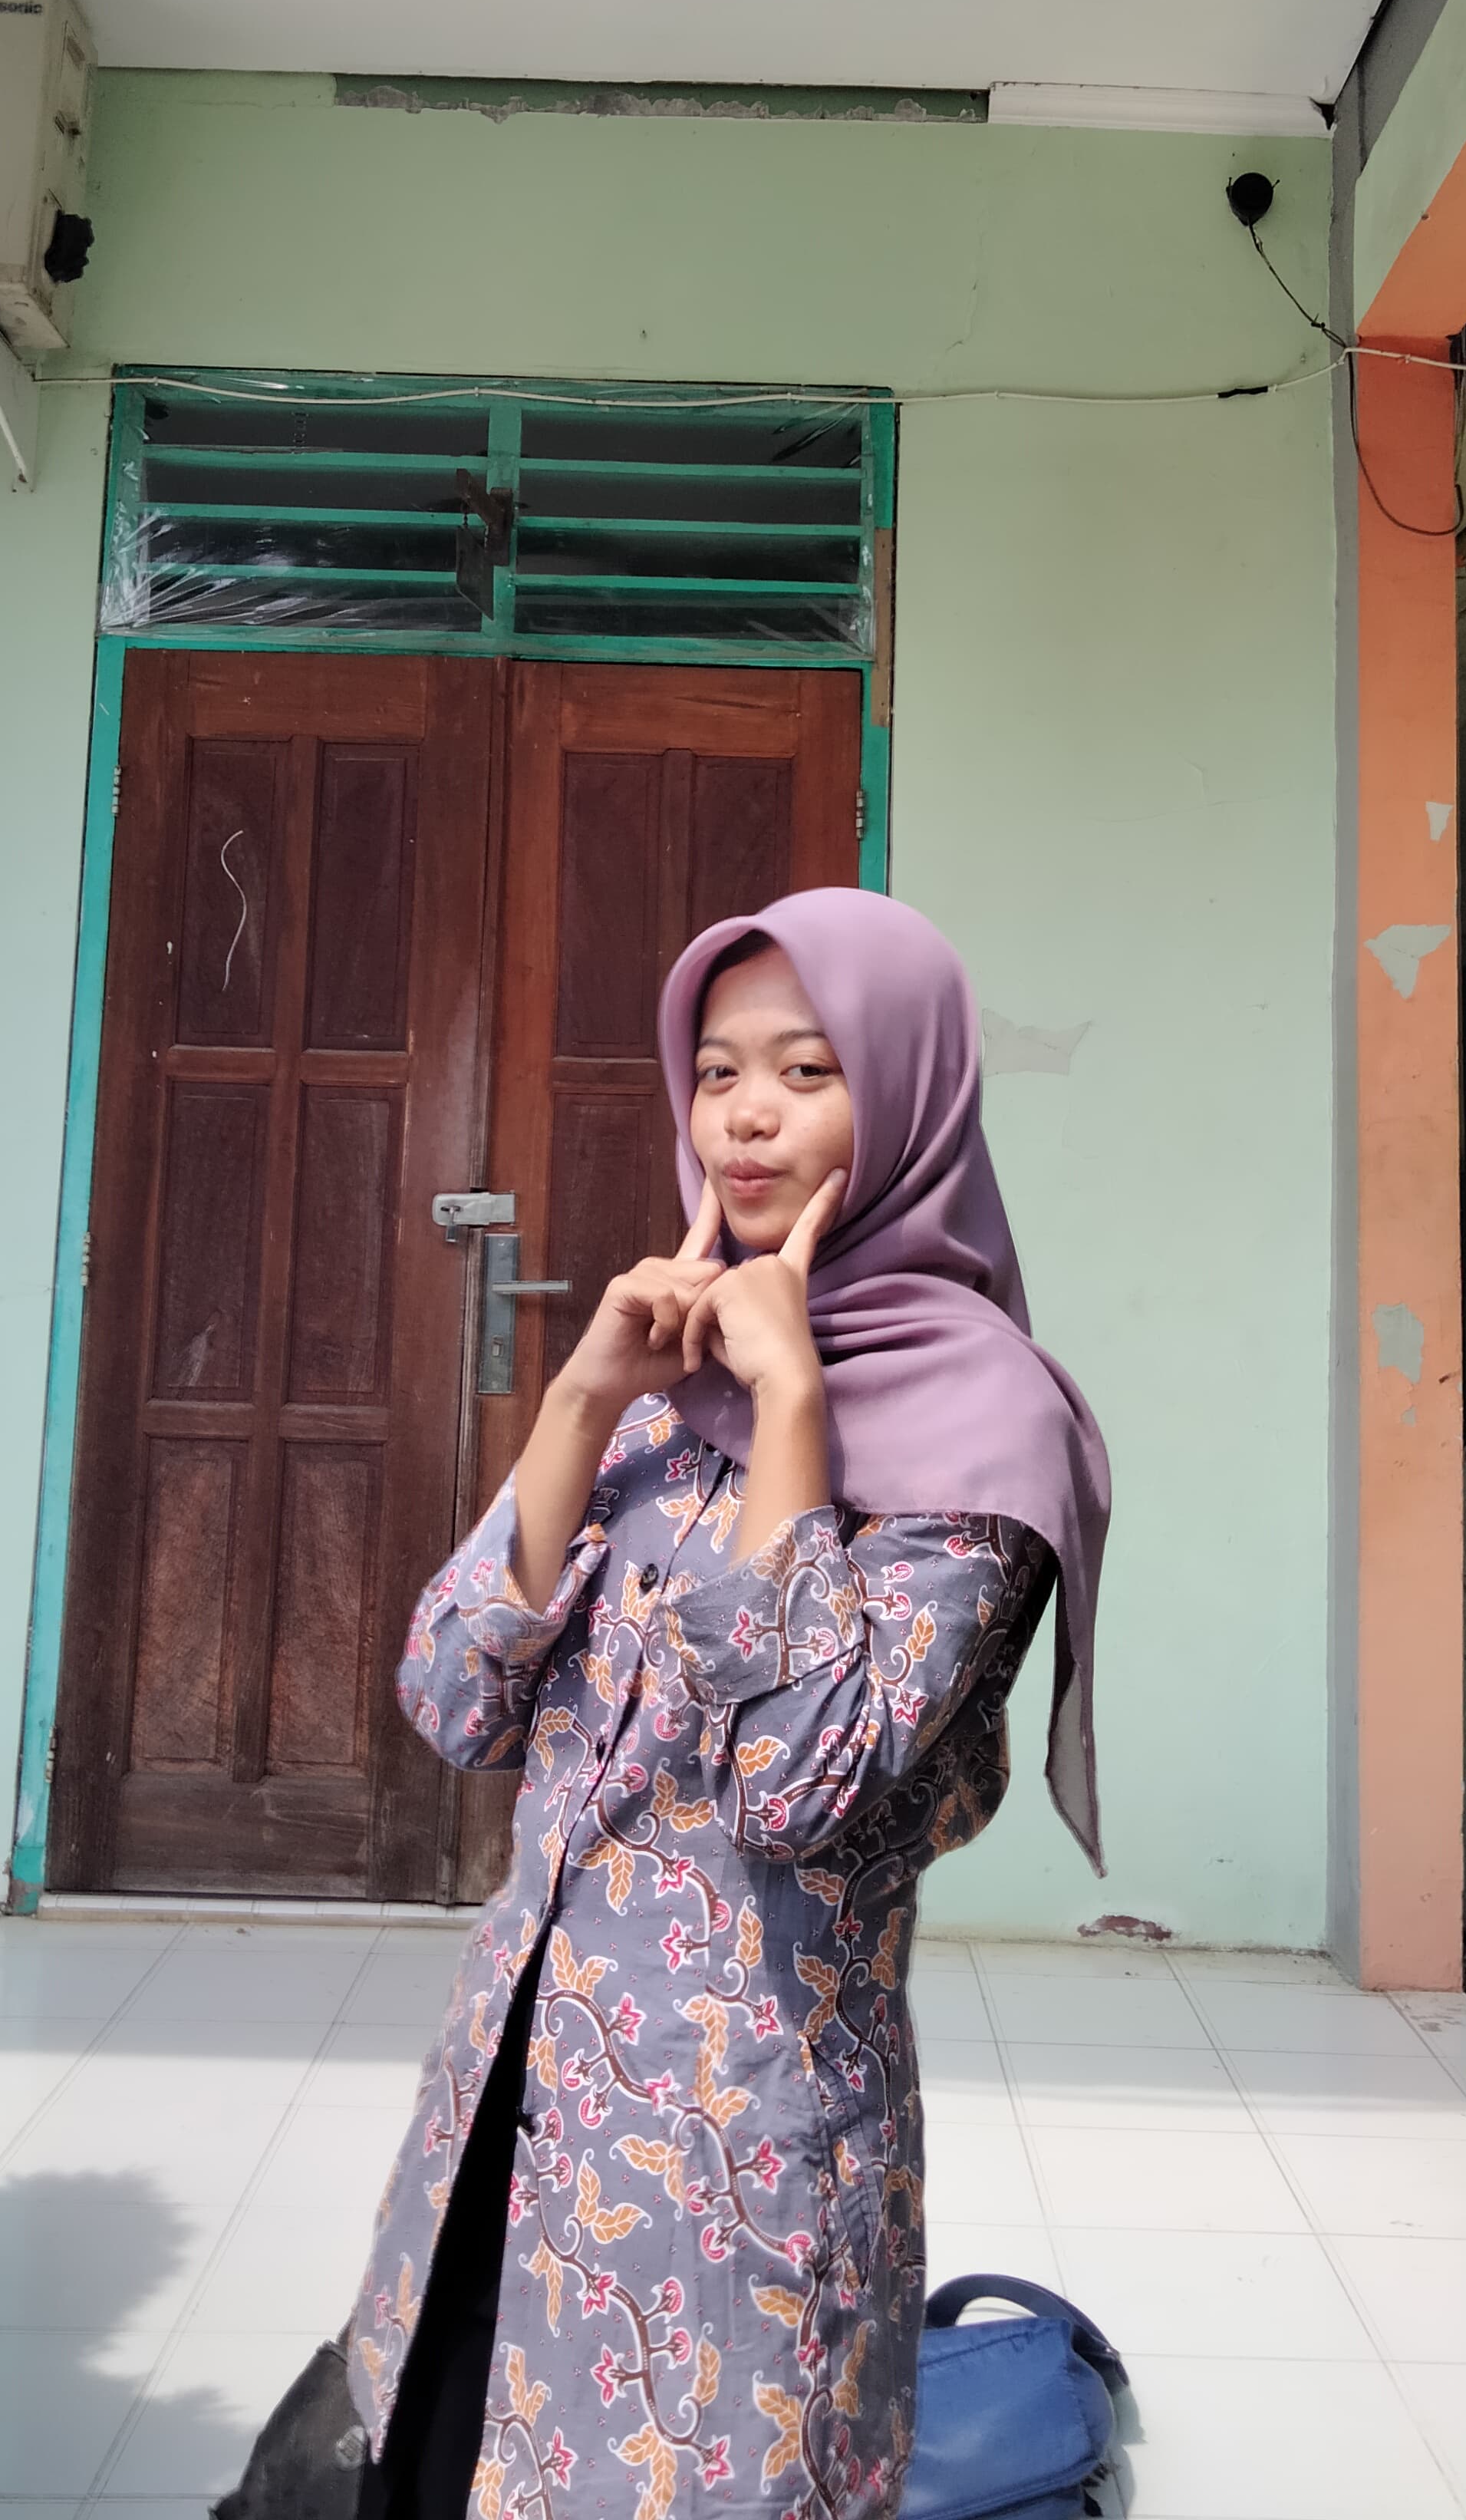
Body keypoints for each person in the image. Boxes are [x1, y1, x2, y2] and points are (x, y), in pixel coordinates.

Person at [348, 887, 1110, 2520]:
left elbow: (795, 1781)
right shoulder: (659, 1385)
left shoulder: (985, 1429)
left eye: (806, 1070)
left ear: (910, 1093)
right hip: (519, 2110)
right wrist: (580, 1398)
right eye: (716, 1073)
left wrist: (792, 1408)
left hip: (730, 2162)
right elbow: (452, 1696)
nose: (747, 1116)